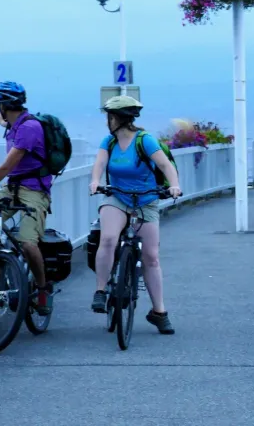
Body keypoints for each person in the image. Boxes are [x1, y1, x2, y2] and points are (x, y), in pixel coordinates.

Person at [88, 95, 182, 335]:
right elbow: (99, 164)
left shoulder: (145, 140)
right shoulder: (108, 142)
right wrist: (95, 182)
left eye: (109, 117)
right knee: (108, 238)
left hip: (146, 200)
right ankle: (101, 291)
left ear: (118, 118)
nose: (107, 121)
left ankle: (159, 312)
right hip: (117, 197)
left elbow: (165, 166)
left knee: (151, 257)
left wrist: (174, 185)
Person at [0, 81, 53, 316]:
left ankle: (43, 287)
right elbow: (1, 121)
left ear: (5, 104)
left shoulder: (29, 128)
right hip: (12, 188)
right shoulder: (14, 123)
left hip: (35, 191)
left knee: (27, 243)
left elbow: (5, 168)